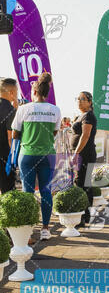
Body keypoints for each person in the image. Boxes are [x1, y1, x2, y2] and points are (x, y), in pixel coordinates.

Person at [11, 73, 61, 241]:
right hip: (47, 155)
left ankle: (29, 228)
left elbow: (15, 134)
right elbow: (54, 132)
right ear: (46, 92)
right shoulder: (56, 110)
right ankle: (46, 229)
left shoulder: (23, 109)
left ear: (34, 92)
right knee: (46, 191)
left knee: (27, 192)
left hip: (27, 155)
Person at [71, 92, 97, 228]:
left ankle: (82, 216)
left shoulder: (88, 116)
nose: (79, 101)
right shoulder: (80, 115)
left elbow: (85, 136)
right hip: (80, 154)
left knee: (82, 184)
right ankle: (84, 215)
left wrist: (76, 153)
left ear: (90, 102)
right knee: (81, 183)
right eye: (78, 99)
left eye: (83, 99)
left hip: (85, 155)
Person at [0, 78, 18, 194]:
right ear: (11, 92)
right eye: (16, 93)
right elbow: (10, 137)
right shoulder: (10, 110)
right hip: (5, 155)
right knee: (8, 191)